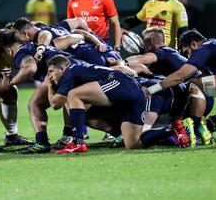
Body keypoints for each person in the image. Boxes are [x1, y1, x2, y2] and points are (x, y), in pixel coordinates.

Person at [45, 55, 179, 152]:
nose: (49, 76)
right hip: (134, 92)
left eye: (51, 71)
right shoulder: (82, 70)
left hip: (122, 85)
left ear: (62, 68)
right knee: (133, 143)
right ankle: (174, 129)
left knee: (73, 94)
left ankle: (78, 142)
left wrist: (49, 86)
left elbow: (56, 104)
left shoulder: (70, 71)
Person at [124, 0, 188, 49]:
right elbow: (134, 20)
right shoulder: (149, 4)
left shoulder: (177, 6)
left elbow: (183, 32)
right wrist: (120, 27)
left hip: (168, 53)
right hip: (149, 51)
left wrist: (180, 52)